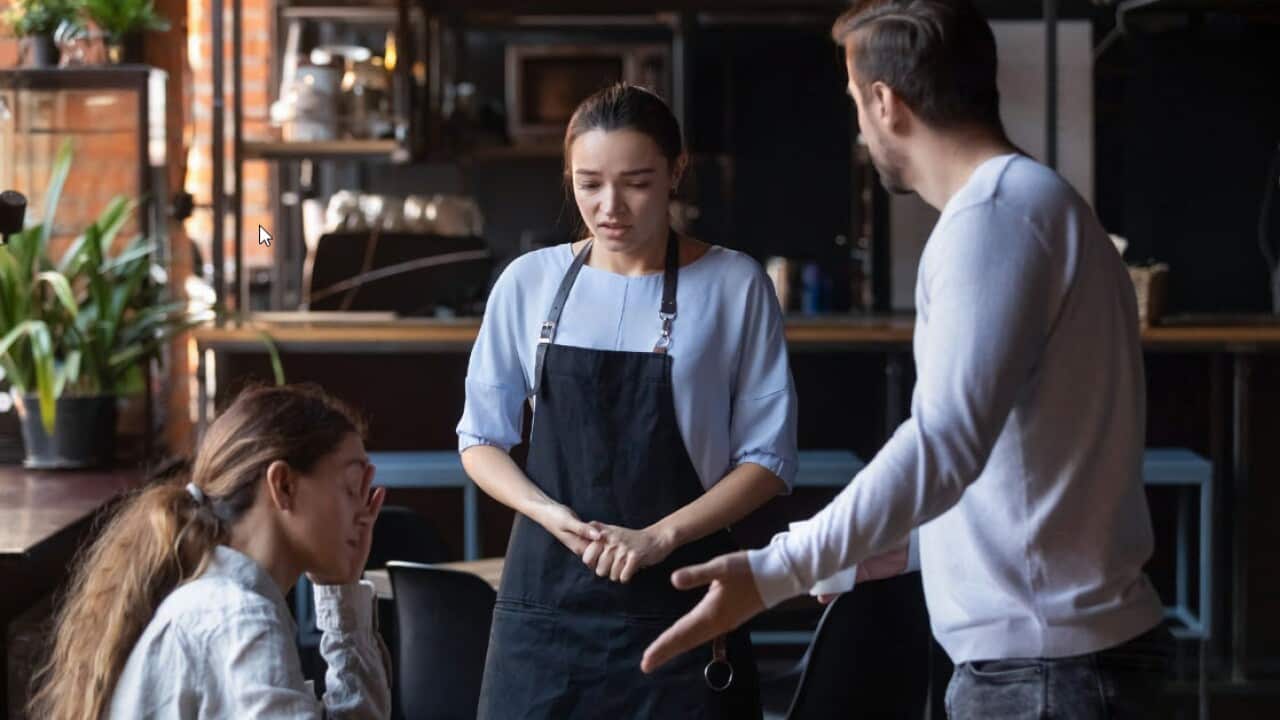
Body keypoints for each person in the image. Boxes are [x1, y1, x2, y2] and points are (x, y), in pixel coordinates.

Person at [642, 2, 1174, 718]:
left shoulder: (993, 217)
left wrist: (778, 570)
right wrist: (890, 548)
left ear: (885, 102)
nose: (859, 128)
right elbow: (1014, 469)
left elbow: (942, 443)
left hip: (1045, 674)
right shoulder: (1036, 203)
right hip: (1058, 660)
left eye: (855, 103)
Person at [457, 83, 798, 718]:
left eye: (637, 183)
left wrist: (660, 537)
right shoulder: (527, 283)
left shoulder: (733, 284)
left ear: (676, 172)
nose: (609, 207)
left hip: (682, 602)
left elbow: (768, 459)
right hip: (545, 611)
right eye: (588, 184)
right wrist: (548, 513)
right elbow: (480, 439)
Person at [29, 384, 391, 720]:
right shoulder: (240, 620)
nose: (363, 512)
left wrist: (342, 593)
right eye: (351, 488)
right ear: (283, 486)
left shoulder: (221, 602)